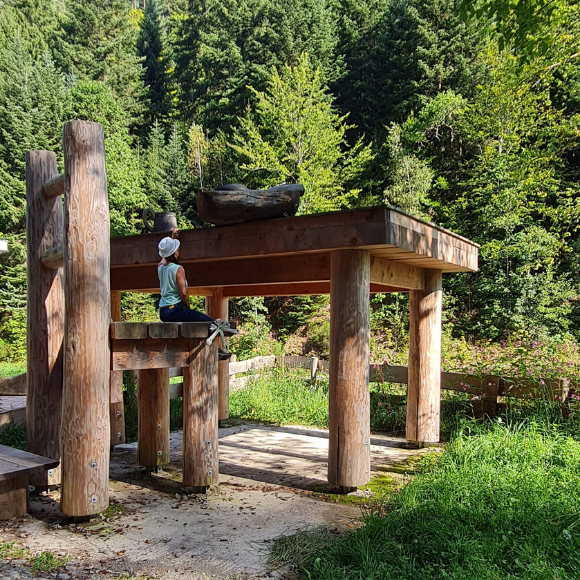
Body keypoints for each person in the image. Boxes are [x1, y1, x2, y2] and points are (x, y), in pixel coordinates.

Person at [157, 236, 213, 323]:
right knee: (208, 321)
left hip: (163, 311)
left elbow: (164, 257)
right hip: (174, 309)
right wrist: (187, 307)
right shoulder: (178, 269)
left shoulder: (160, 267)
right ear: (174, 252)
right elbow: (183, 293)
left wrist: (173, 238)